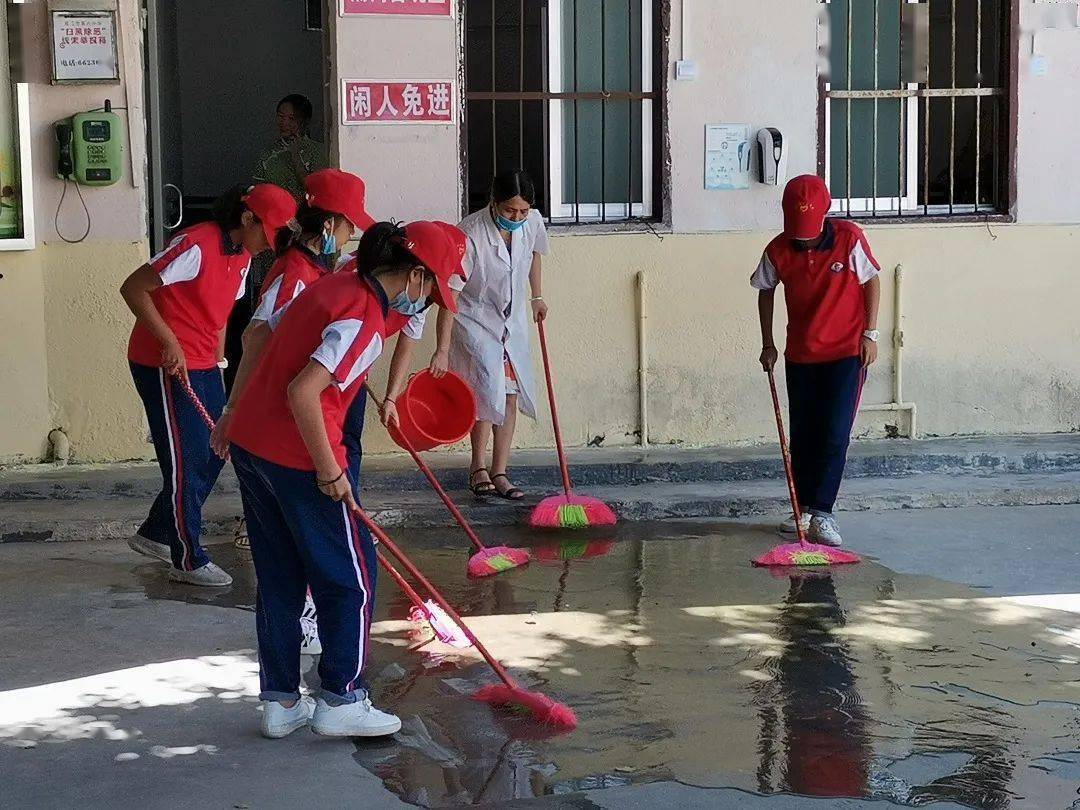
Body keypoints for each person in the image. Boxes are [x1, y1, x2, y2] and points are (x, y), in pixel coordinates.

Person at [223, 221, 462, 739]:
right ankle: (341, 697)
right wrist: (330, 470)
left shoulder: (333, 283)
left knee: (281, 578)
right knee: (350, 579)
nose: (429, 301)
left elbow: (258, 335)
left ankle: (281, 703)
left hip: (253, 448)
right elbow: (304, 393)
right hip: (297, 458)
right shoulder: (366, 318)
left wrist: (232, 411)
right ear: (415, 276)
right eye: (433, 289)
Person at [215, 168, 376, 652]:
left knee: (312, 536)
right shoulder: (294, 273)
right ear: (328, 225)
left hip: (310, 413)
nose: (350, 239)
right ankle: (309, 625)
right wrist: (233, 410)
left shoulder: (317, 270)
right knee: (309, 541)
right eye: (348, 227)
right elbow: (255, 338)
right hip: (293, 426)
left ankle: (287, 682)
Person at [121, 183, 297, 586]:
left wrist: (219, 366)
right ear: (247, 217)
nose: (267, 246)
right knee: (185, 459)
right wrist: (168, 342)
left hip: (203, 363)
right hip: (163, 364)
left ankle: (156, 531)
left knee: (217, 447)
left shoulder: (242, 257)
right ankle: (187, 557)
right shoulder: (195, 244)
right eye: (265, 233)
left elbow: (220, 317)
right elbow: (133, 288)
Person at [751, 175, 881, 547]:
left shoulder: (849, 238)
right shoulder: (778, 249)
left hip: (845, 355)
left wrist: (869, 334)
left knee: (834, 432)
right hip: (801, 354)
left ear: (825, 214)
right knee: (803, 436)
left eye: (810, 231)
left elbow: (871, 281)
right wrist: (768, 343)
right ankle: (803, 509)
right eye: (798, 231)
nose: (804, 239)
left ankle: (823, 512)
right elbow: (764, 290)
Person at [438, 169, 549, 500]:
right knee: (486, 391)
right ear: (493, 203)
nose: (517, 218)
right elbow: (451, 294)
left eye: (522, 212)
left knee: (510, 394)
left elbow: (534, 256)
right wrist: (442, 349)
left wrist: (537, 296)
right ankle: (478, 467)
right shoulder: (470, 234)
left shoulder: (532, 223)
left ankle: (500, 470)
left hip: (510, 322)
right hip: (475, 321)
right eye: (509, 211)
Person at [253, 94, 327, 204]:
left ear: (304, 122)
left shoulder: (318, 151)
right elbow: (258, 192)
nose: (284, 123)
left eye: (292, 118)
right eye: (281, 116)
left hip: (306, 217)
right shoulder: (268, 154)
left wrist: (295, 156)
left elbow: (316, 189)